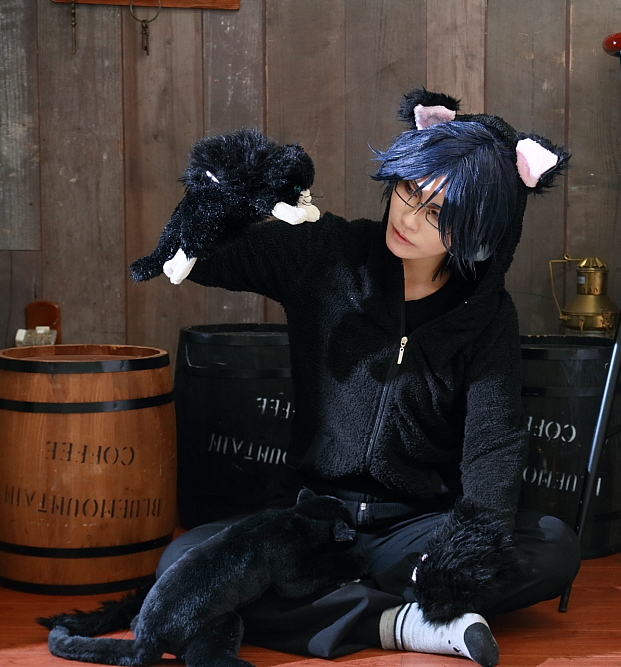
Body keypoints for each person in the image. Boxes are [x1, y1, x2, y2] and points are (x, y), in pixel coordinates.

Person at [154, 89, 579, 667]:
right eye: (410, 190)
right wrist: (234, 190)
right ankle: (398, 622)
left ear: (481, 231)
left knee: (553, 545)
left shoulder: (486, 316)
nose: (408, 218)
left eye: (438, 214)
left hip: (416, 528)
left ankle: (342, 602)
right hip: (312, 520)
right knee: (181, 564)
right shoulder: (327, 253)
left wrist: (465, 547)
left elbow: (495, 442)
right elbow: (200, 256)